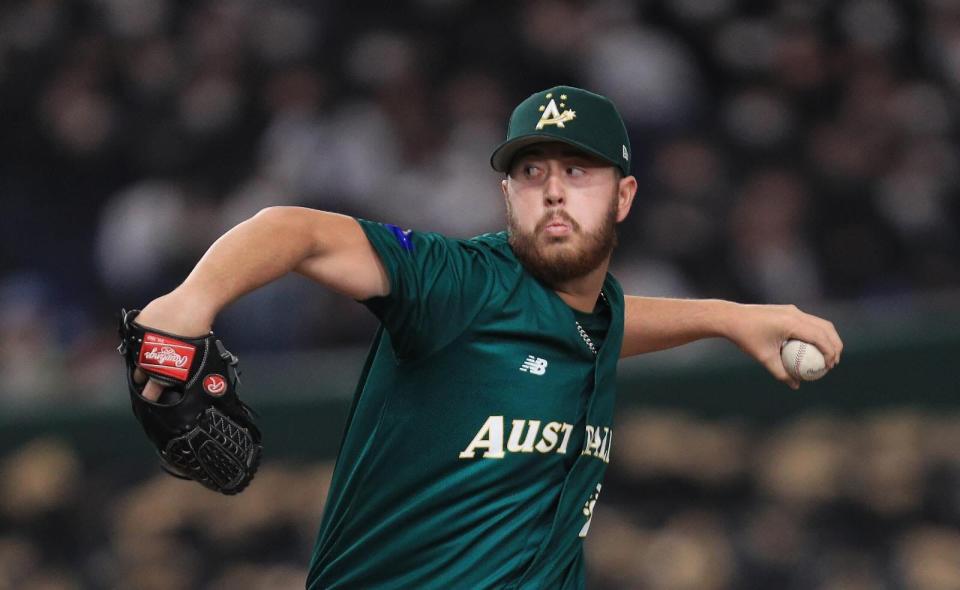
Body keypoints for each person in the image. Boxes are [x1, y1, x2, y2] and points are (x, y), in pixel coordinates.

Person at [131, 86, 842, 589]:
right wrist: (190, 301)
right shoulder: (459, 284)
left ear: (623, 195)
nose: (554, 189)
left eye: (578, 170)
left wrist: (730, 317)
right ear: (507, 196)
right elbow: (295, 231)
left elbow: (604, 322)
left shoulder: (592, 314)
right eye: (532, 172)